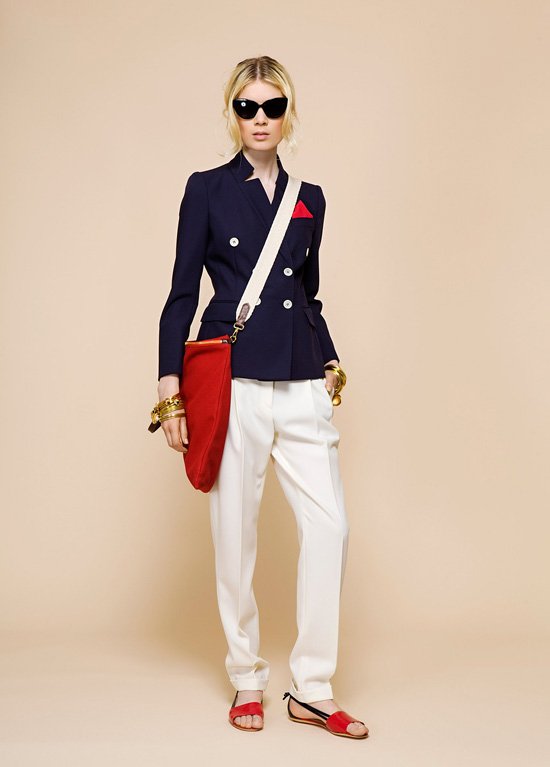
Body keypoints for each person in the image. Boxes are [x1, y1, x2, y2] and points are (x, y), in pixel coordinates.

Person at [153, 55, 368, 739]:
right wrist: (169, 388)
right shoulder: (207, 189)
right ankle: (247, 675)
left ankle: (313, 686)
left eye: (272, 106)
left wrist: (329, 355)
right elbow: (182, 292)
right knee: (235, 534)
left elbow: (307, 291)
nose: (260, 119)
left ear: (288, 112)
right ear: (232, 113)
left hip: (302, 376)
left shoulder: (311, 197)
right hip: (235, 377)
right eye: (247, 107)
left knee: (330, 526)